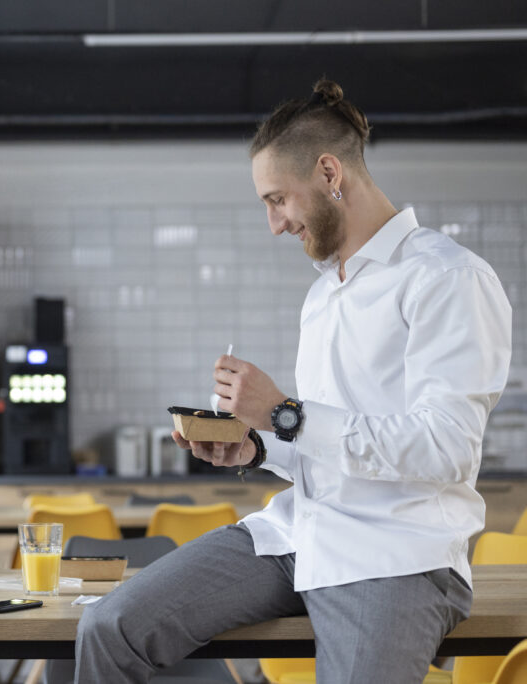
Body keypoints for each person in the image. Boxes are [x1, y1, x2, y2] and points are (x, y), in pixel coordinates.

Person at [75, 79, 512, 683]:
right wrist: (255, 443)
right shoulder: (323, 294)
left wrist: (285, 412)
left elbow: (447, 448)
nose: (275, 225)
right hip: (295, 535)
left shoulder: (448, 278)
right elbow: (323, 446)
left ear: (330, 173)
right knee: (109, 628)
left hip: (394, 555)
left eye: (278, 199)